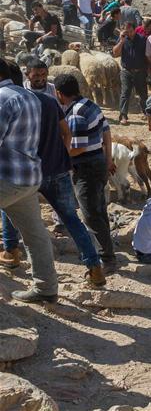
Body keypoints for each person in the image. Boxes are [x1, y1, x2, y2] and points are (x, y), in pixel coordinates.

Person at [0, 60, 59, 303]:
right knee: (35, 234)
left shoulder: (2, 98)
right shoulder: (30, 97)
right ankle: (46, 287)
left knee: (34, 233)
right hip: (29, 177)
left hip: (6, 179)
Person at [55, 73, 118, 273]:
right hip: (98, 162)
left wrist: (60, 156)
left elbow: (79, 147)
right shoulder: (90, 105)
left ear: (59, 93)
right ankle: (107, 250)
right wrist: (108, 159)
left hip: (86, 167)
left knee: (91, 214)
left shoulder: (74, 114)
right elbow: (106, 131)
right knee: (99, 210)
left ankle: (106, 258)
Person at [112, 21, 149, 125]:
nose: (129, 33)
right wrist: (121, 41)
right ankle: (123, 115)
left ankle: (146, 113)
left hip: (140, 71)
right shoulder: (122, 39)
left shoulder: (142, 39)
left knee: (143, 93)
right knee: (125, 93)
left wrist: (149, 69)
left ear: (134, 29)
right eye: (127, 31)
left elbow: (147, 55)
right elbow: (115, 53)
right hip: (126, 71)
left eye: (131, 31)